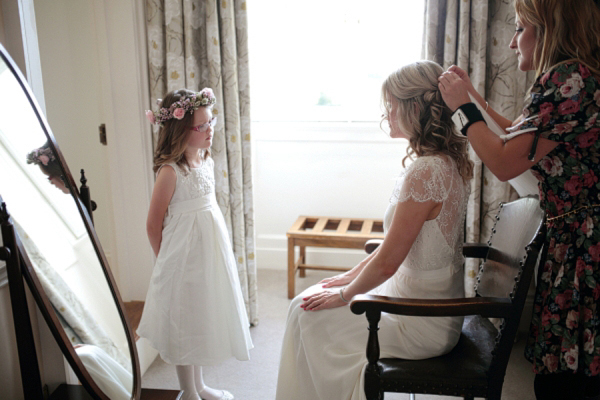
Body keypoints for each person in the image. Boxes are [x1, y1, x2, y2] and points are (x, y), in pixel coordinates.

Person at [276, 60, 473, 400]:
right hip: (425, 304)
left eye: (391, 104)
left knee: (305, 315)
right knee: (304, 304)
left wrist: (343, 295)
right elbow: (393, 246)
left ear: (413, 108)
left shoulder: (426, 171)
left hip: (421, 319)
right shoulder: (445, 162)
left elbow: (387, 264)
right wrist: (347, 278)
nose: (386, 113)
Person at [437, 1, 600, 399]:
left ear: (547, 29)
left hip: (585, 244)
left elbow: (505, 161)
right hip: (575, 237)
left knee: (569, 381)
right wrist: (473, 96)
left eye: (519, 29)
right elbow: (519, 138)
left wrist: (462, 109)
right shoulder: (574, 79)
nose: (512, 43)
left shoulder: (569, 78)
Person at [137, 88, 253, 400]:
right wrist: (166, 261)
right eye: (201, 126)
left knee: (200, 318)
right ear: (179, 132)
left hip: (207, 256)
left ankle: (200, 385)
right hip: (180, 260)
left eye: (210, 121)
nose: (210, 129)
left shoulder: (205, 161)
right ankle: (188, 391)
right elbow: (153, 223)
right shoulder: (169, 172)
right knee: (183, 325)